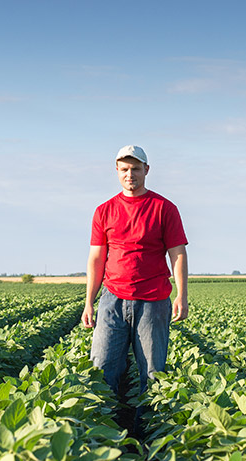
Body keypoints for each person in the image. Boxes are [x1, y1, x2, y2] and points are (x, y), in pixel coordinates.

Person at [82, 145, 188, 436]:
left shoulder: (165, 208)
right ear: (117, 171)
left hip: (153, 300)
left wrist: (181, 295)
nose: (131, 174)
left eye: (136, 168)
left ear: (146, 171)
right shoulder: (104, 211)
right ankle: (105, 434)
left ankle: (148, 437)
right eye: (125, 169)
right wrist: (89, 302)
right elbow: (97, 259)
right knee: (101, 369)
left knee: (153, 373)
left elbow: (177, 253)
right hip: (112, 300)